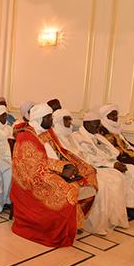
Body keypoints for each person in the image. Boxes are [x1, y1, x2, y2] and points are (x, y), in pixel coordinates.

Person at [11, 103, 98, 247]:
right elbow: (33, 166)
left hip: (50, 169)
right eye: (49, 117)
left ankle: (72, 222)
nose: (52, 120)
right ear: (40, 119)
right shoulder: (25, 135)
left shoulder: (46, 131)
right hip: (34, 178)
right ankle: (56, 229)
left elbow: (59, 151)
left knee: (89, 173)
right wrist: (62, 168)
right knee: (68, 191)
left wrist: (70, 165)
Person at [53, 109, 129, 235]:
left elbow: (82, 154)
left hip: (85, 166)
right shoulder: (55, 137)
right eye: (67, 119)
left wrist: (88, 165)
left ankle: (112, 219)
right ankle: (94, 224)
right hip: (72, 170)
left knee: (116, 178)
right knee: (103, 184)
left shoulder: (69, 135)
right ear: (59, 121)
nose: (70, 122)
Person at [71, 112, 134, 218]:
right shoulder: (77, 137)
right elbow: (88, 158)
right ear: (86, 124)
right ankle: (109, 215)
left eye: (98, 124)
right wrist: (111, 164)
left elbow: (114, 151)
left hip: (109, 163)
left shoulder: (98, 136)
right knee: (115, 179)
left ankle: (130, 207)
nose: (97, 127)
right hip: (96, 166)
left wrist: (115, 162)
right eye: (95, 124)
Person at [99, 104, 134, 181]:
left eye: (115, 115)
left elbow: (126, 143)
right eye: (111, 115)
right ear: (104, 116)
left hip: (125, 153)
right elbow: (113, 149)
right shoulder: (102, 130)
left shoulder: (115, 128)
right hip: (118, 156)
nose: (114, 118)